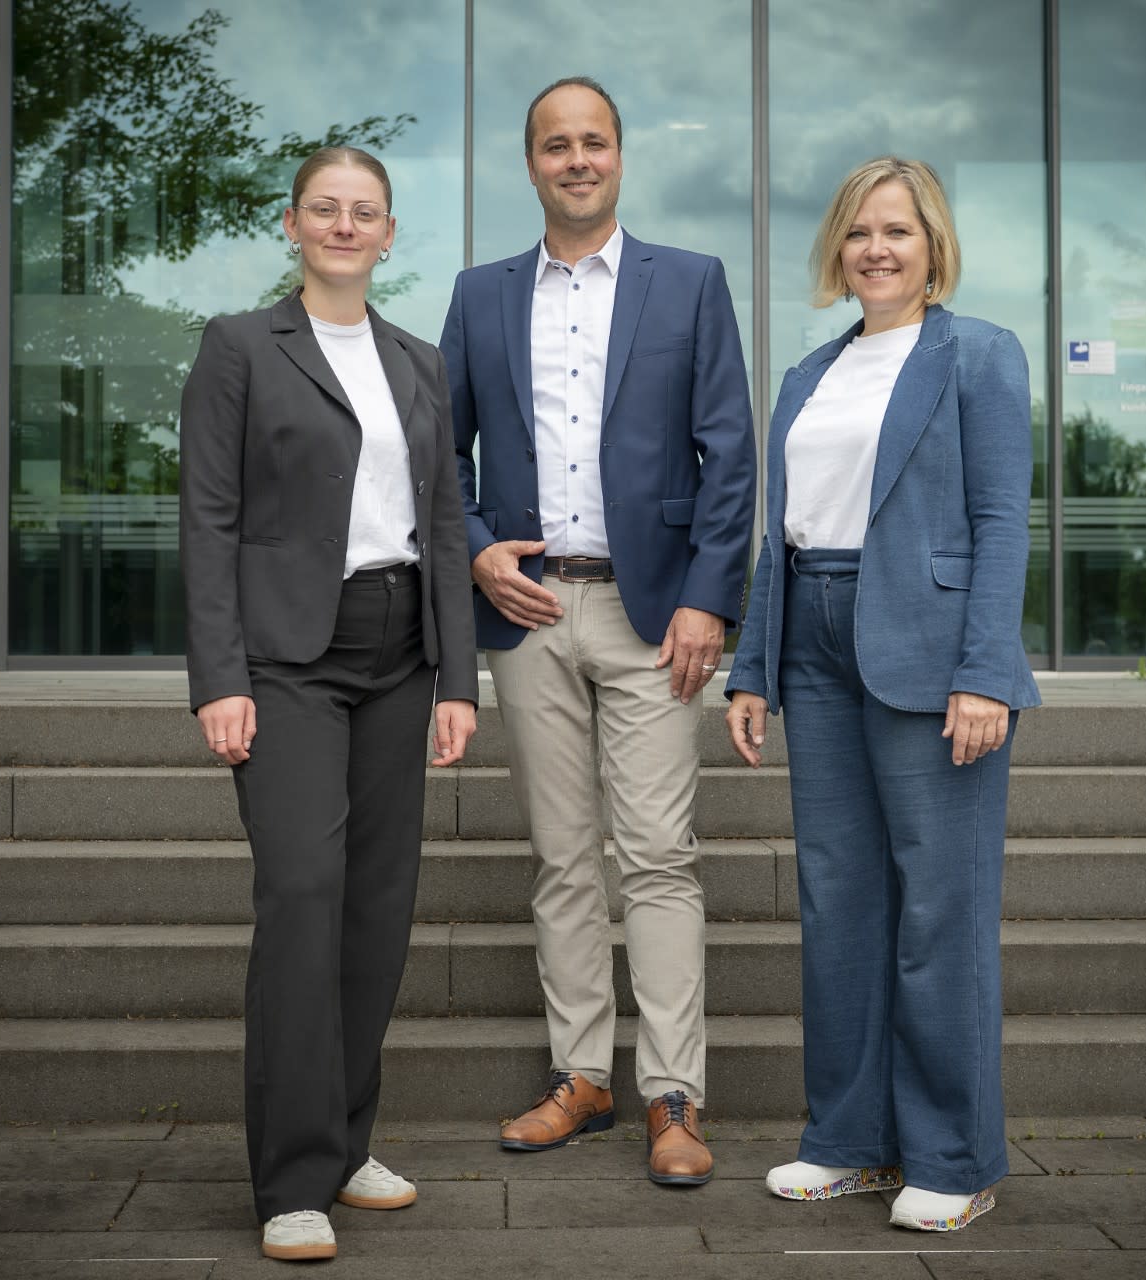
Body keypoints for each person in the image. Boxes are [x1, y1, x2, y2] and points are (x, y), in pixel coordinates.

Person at [441, 76, 754, 1186]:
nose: (576, 159)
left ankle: (675, 1093)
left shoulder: (692, 283)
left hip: (653, 612)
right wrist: (477, 548)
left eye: (594, 142)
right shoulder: (480, 296)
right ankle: (583, 1076)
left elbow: (731, 455)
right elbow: (445, 458)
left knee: (659, 855)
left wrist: (711, 600)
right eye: (555, 145)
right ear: (529, 164)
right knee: (563, 858)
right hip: (528, 614)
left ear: (621, 156)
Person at [724, 156, 1040, 1232]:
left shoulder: (980, 356)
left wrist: (986, 669)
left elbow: (1002, 522)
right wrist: (752, 667)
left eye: (898, 230)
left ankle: (955, 1153)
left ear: (932, 243)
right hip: (813, 639)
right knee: (841, 905)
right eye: (859, 231)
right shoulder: (811, 374)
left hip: (928, 643)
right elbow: (784, 532)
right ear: (838, 247)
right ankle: (850, 1141)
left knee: (939, 911)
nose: (876, 248)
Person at [179, 145, 478, 1262]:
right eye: (326, 209)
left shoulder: (417, 359)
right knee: (304, 891)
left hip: (401, 651)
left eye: (366, 212)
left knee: (376, 905)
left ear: (390, 233)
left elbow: (445, 522)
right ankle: (292, 1177)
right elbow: (207, 518)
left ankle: (349, 1143)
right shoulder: (240, 347)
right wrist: (220, 677)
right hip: (288, 659)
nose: (345, 226)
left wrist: (460, 678)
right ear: (294, 224)